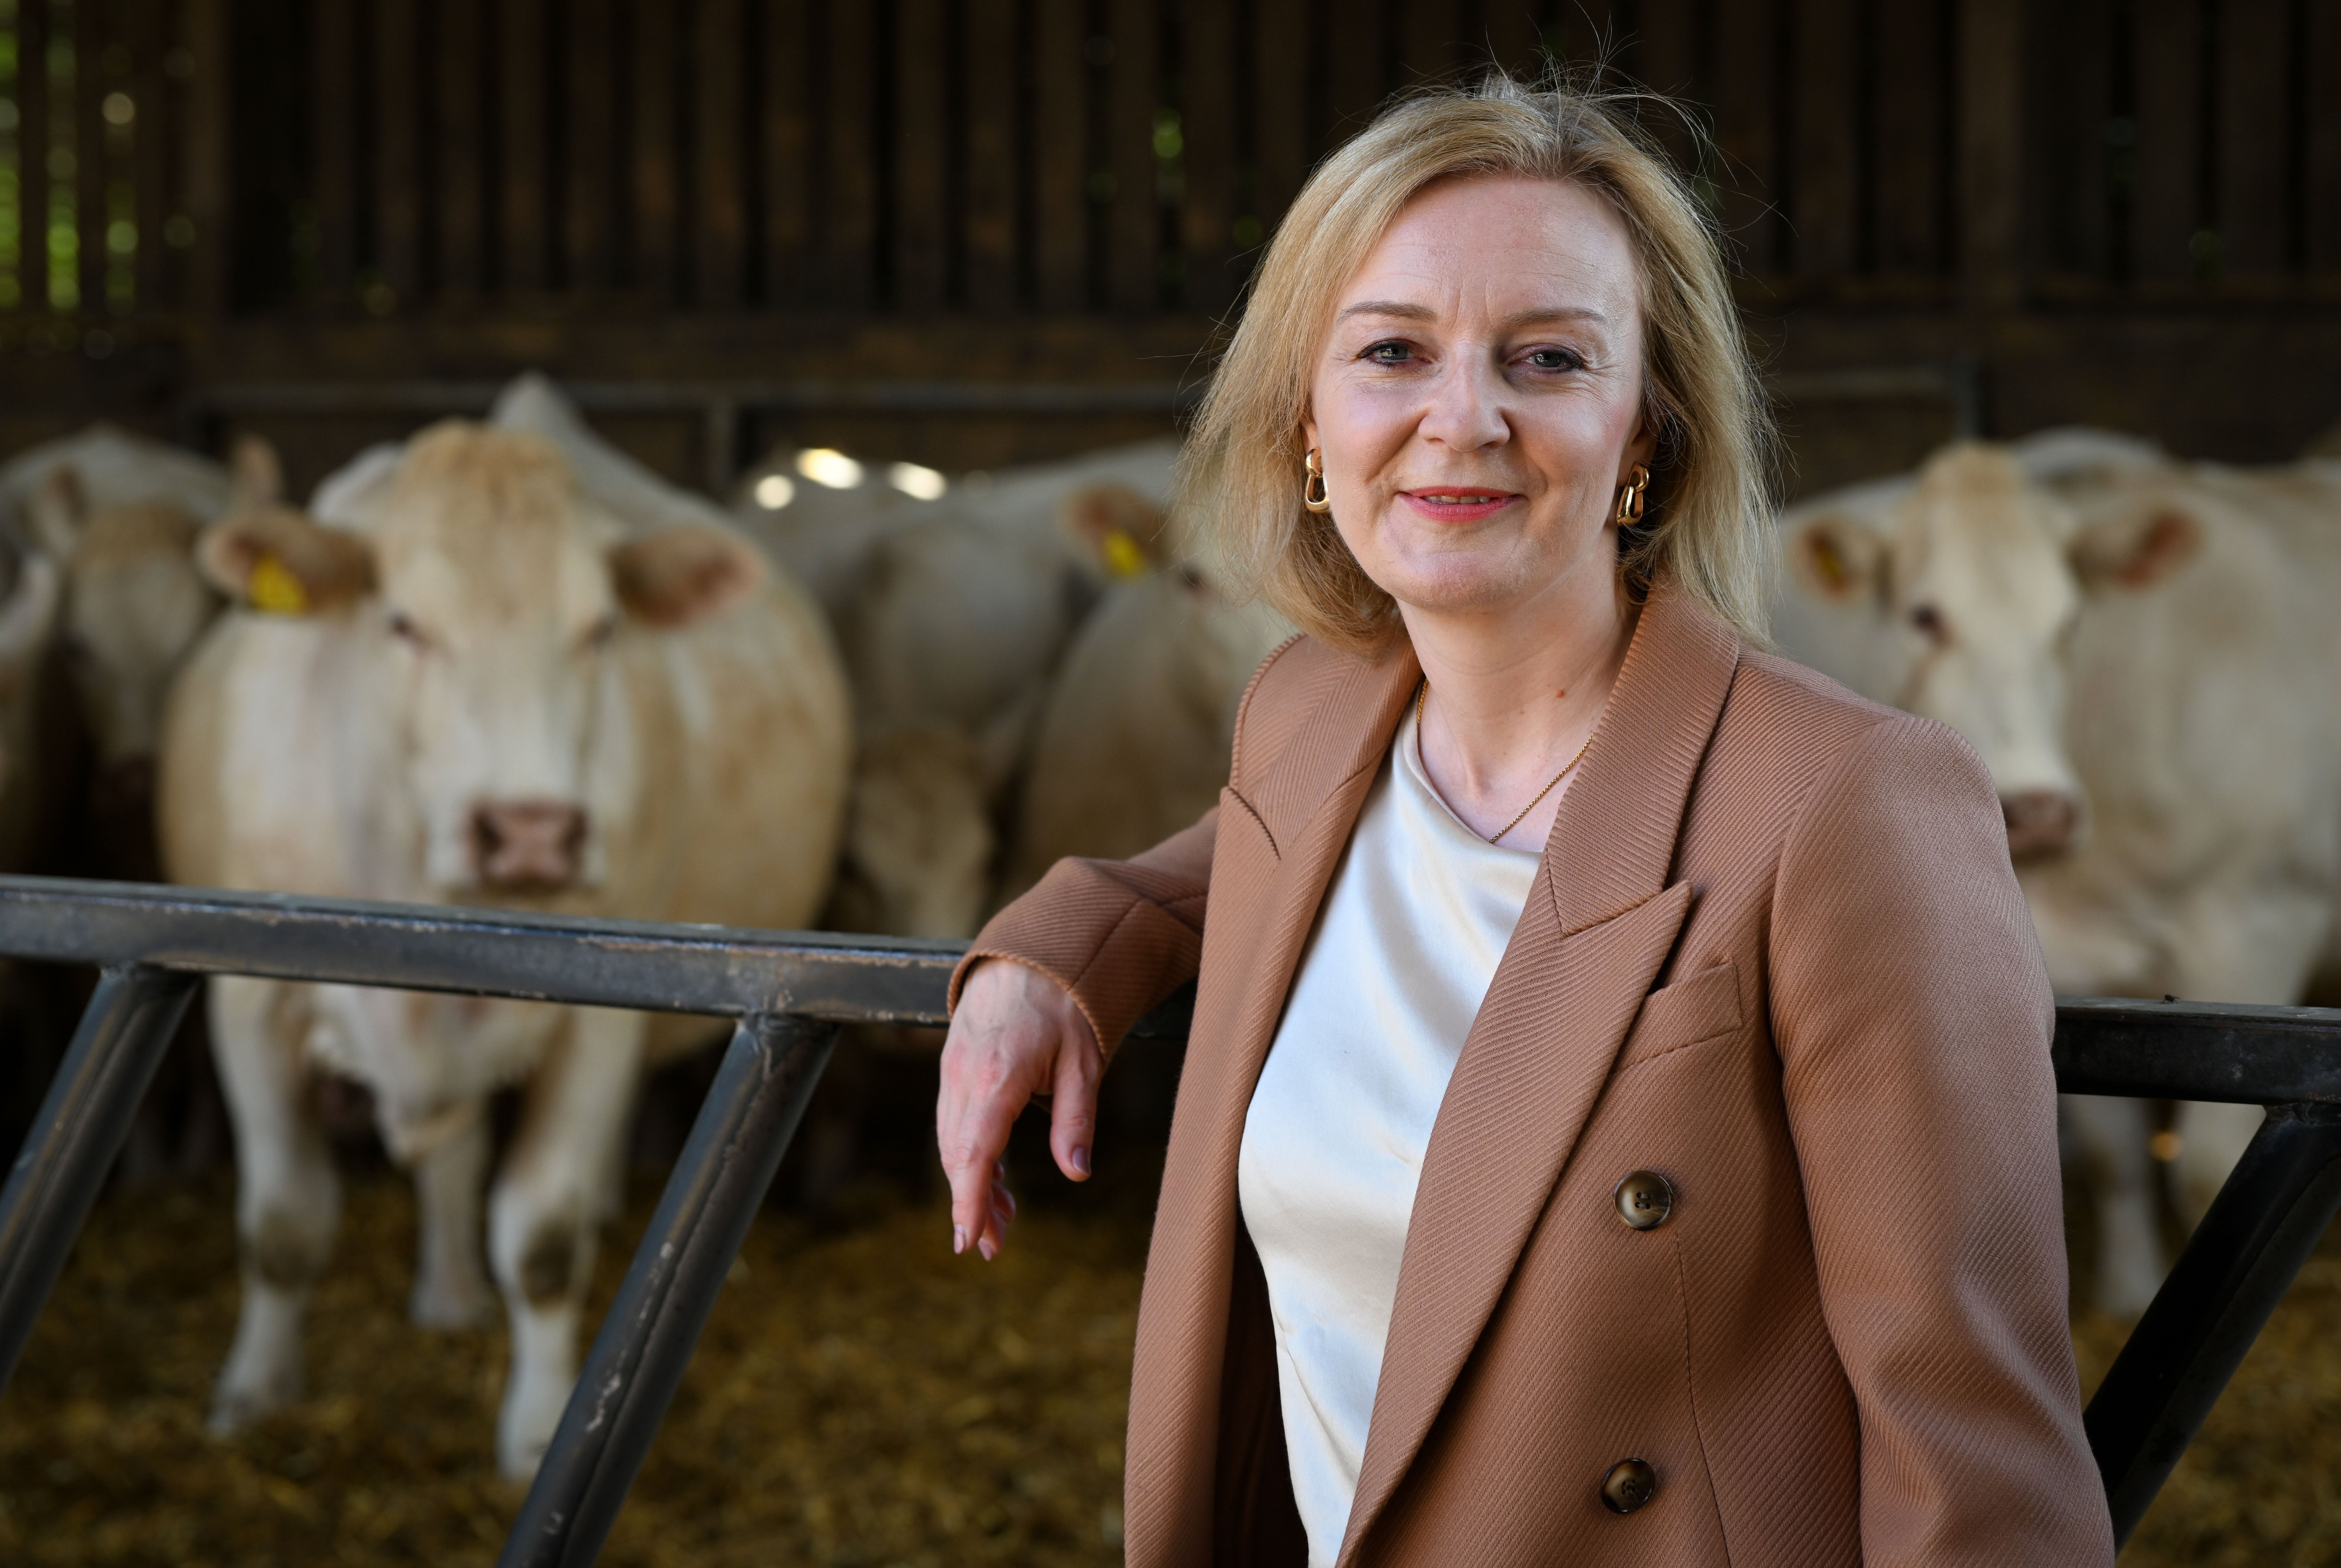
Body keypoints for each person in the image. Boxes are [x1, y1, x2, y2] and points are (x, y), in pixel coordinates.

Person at [936, 73, 2114, 1568]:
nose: (1461, 418)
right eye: (1391, 352)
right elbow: (1230, 876)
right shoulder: (1306, 714)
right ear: (1308, 422)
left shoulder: (1848, 800)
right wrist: (1053, 952)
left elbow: (1977, 1464)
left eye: (1546, 357)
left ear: (1645, 433)